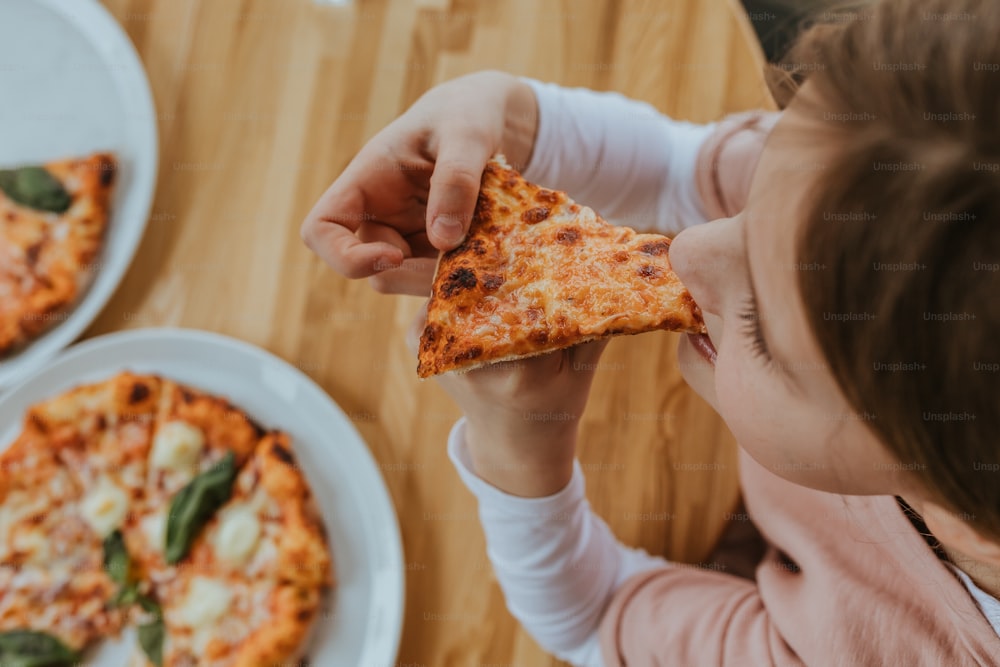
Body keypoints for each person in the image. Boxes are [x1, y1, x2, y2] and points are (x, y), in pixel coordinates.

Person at [301, 0, 1000, 663]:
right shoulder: (894, 171)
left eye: (758, 327)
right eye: (753, 198)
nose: (687, 249)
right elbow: (679, 166)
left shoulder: (862, 649)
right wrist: (512, 120)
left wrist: (520, 449)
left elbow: (598, 617)